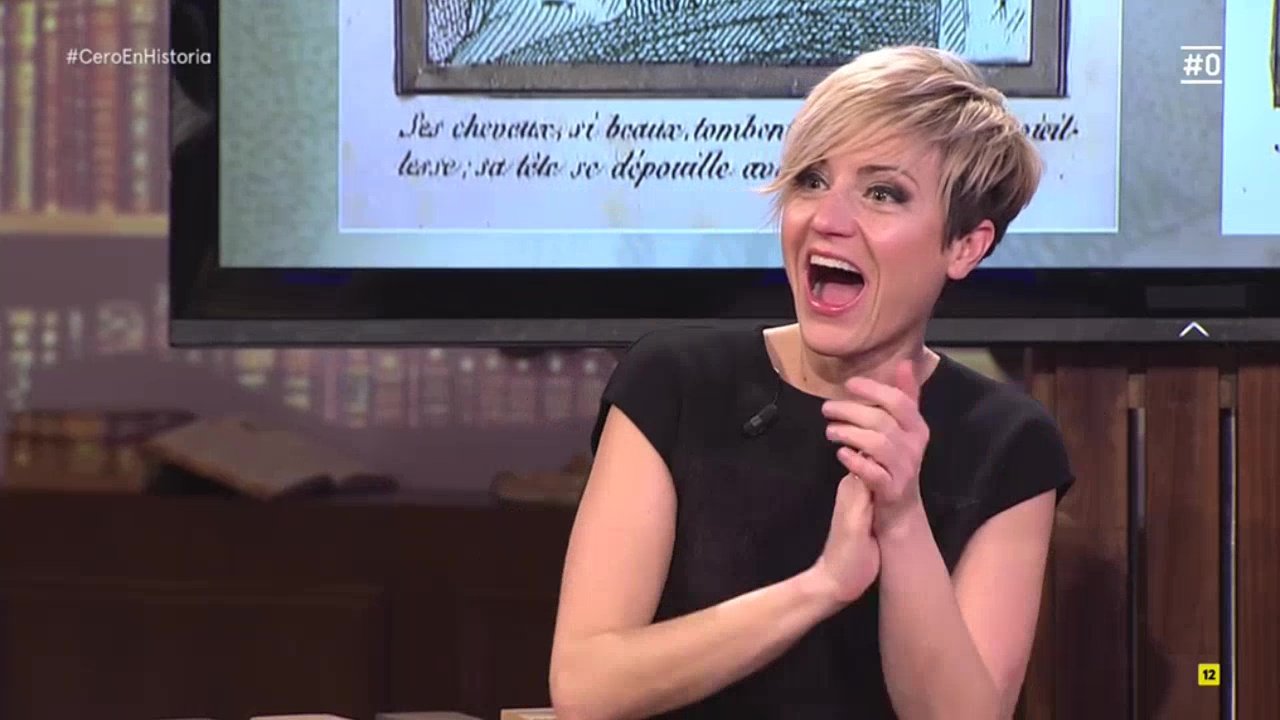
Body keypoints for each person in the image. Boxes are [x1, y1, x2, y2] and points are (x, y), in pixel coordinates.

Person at [548, 45, 1075, 720]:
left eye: (882, 193)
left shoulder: (1006, 441)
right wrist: (822, 586)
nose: (827, 219)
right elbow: (587, 685)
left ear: (964, 246)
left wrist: (902, 519)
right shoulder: (675, 382)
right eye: (812, 180)